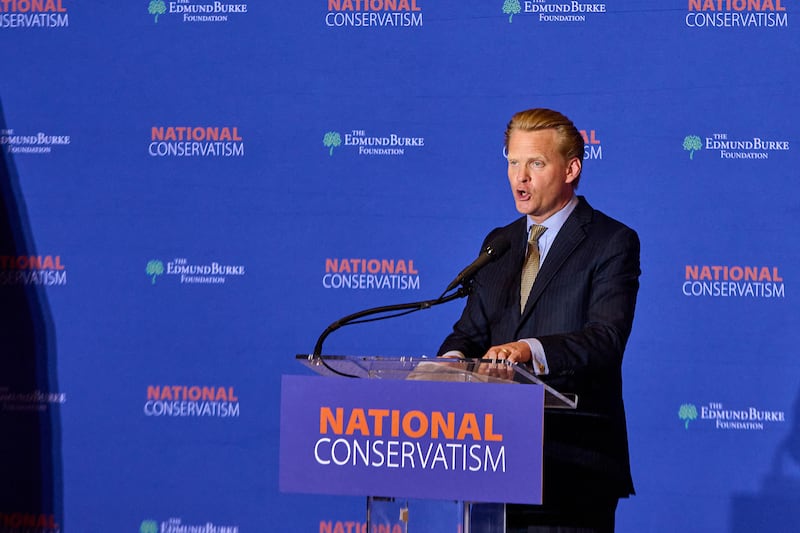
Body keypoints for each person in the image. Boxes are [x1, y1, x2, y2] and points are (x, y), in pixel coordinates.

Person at [438, 108, 640, 532]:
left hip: (571, 469)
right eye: (512, 161)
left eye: (535, 163)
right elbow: (470, 332)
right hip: (491, 460)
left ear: (571, 169)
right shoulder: (500, 243)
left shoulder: (611, 242)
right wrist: (450, 362)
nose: (519, 177)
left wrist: (529, 350)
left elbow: (605, 340)